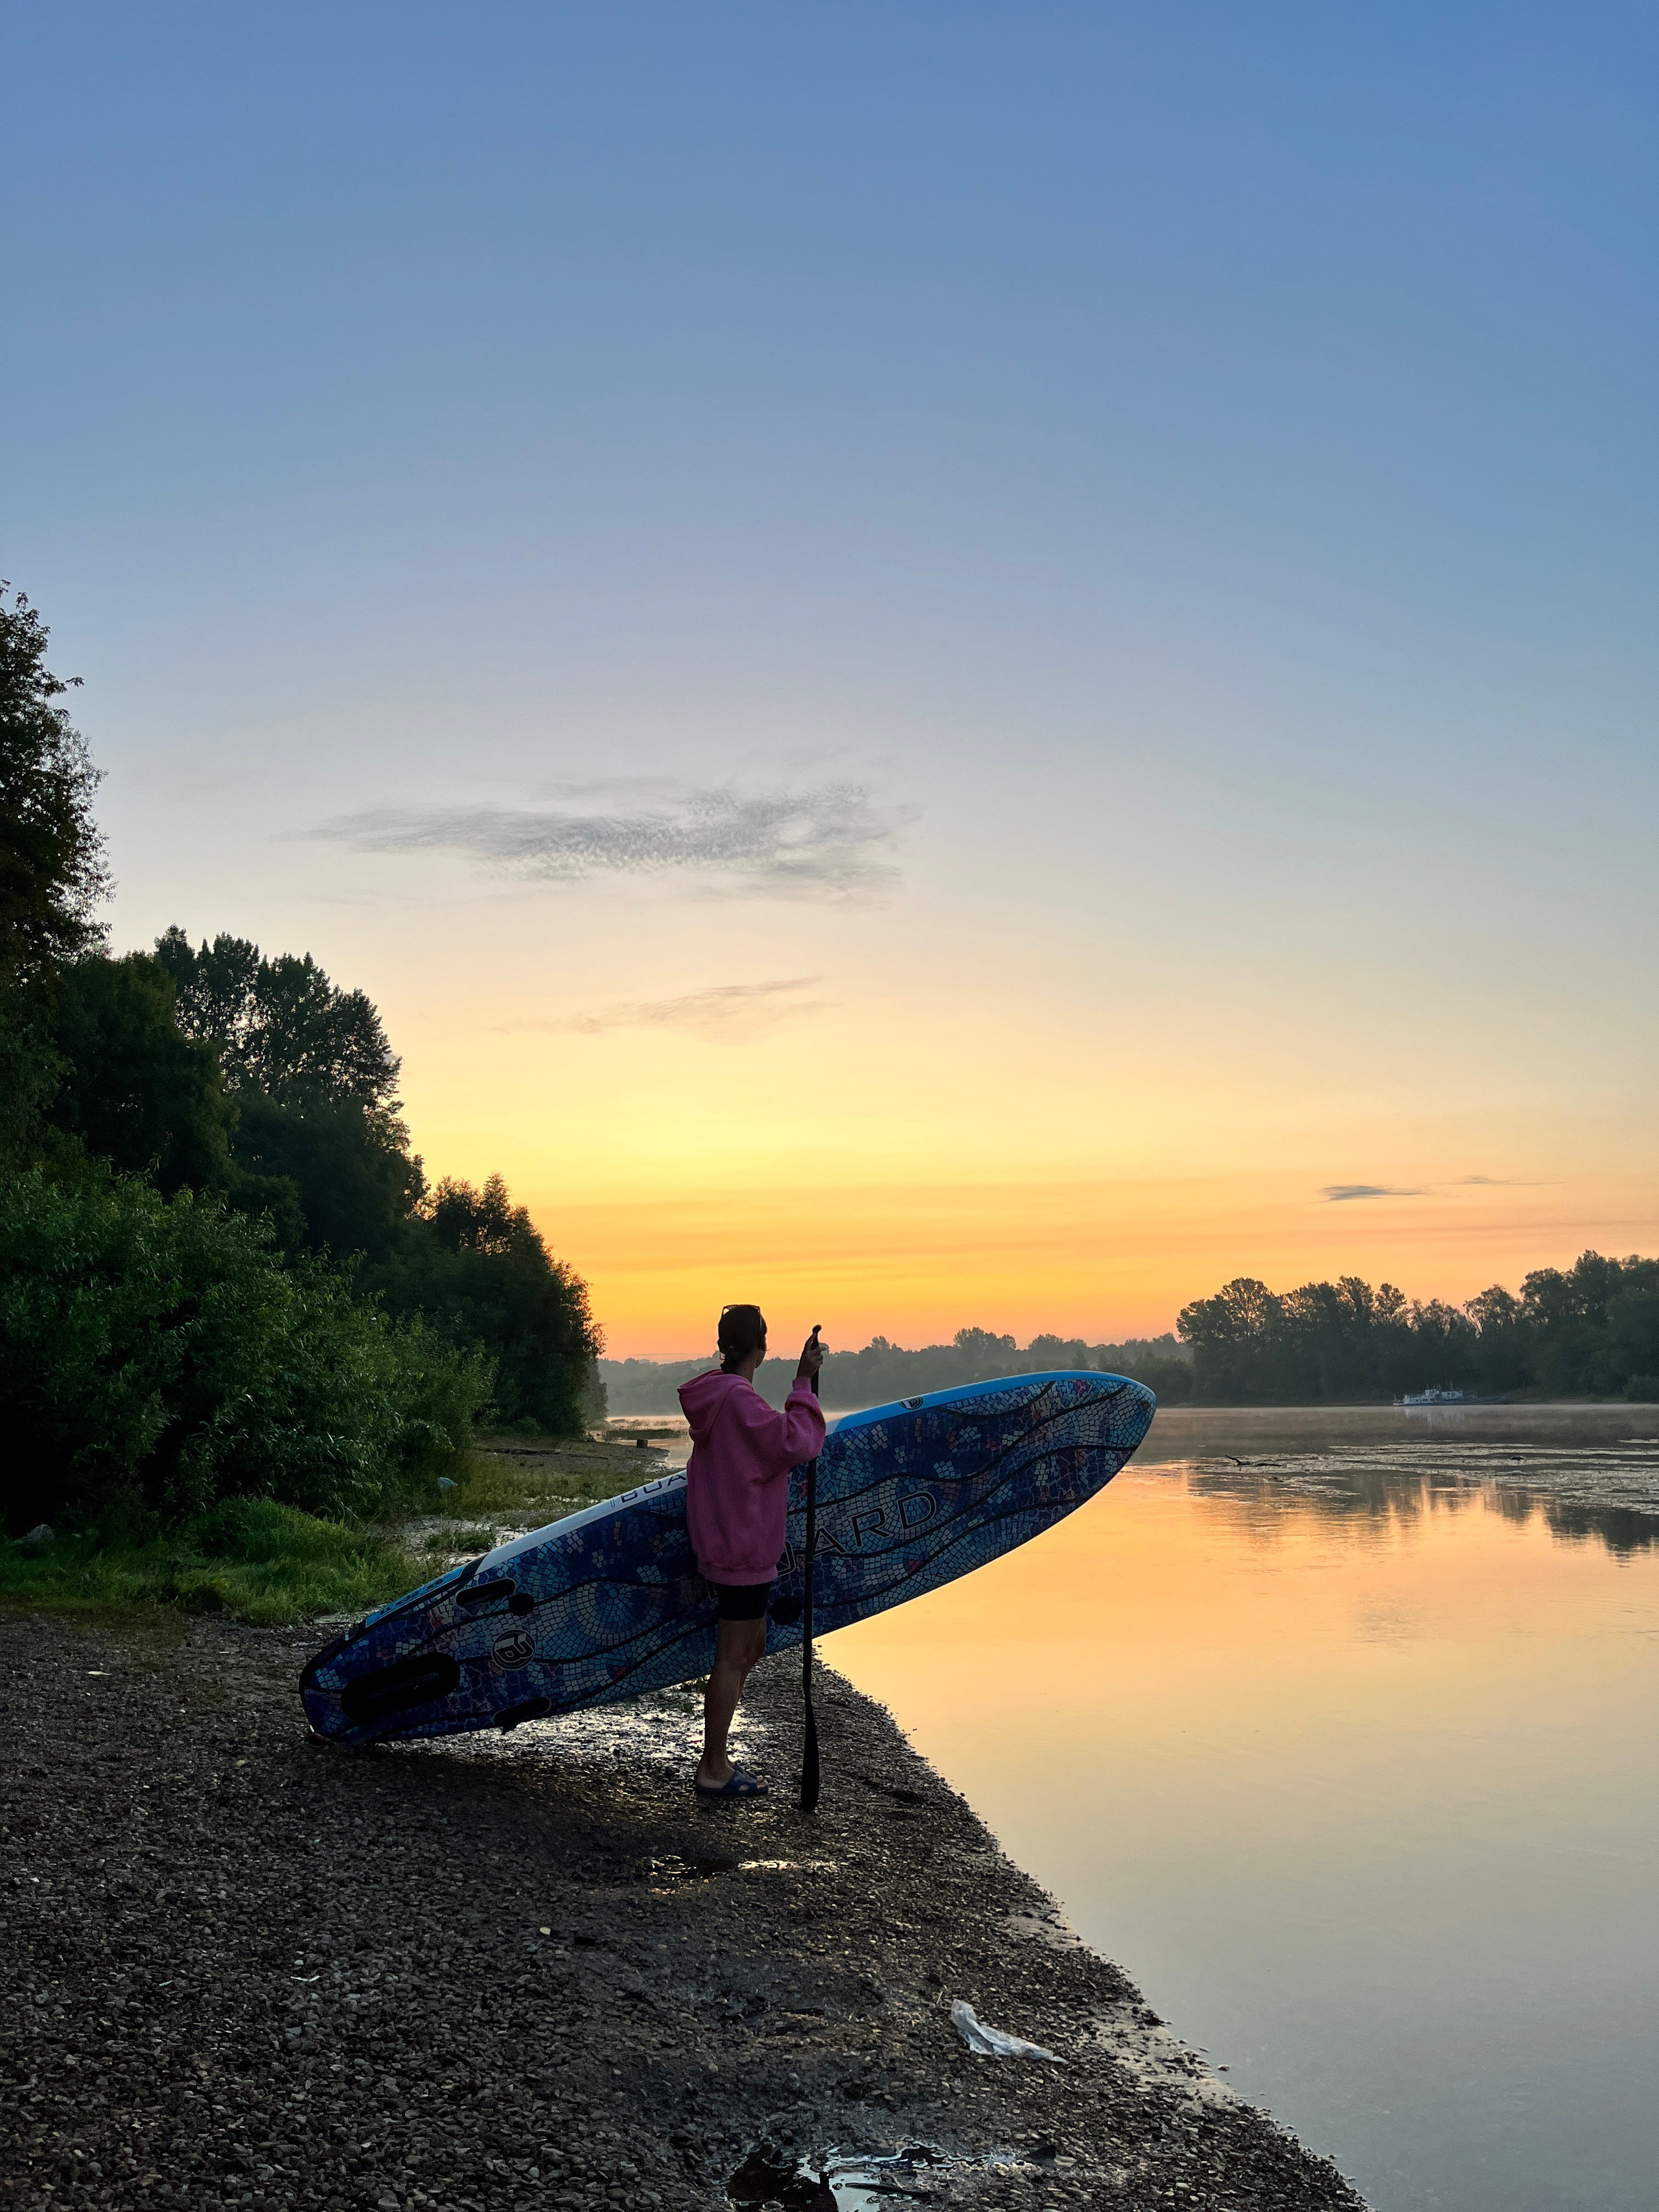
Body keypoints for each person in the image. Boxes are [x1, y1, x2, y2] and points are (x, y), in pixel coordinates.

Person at [677, 1305, 826, 1798]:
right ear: (759, 1348)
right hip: (741, 1548)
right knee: (732, 1655)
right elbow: (795, 1442)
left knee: (751, 1647)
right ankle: (713, 1766)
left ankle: (716, 1755)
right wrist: (803, 1383)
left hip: (736, 1546)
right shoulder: (739, 1400)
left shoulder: (721, 1398)